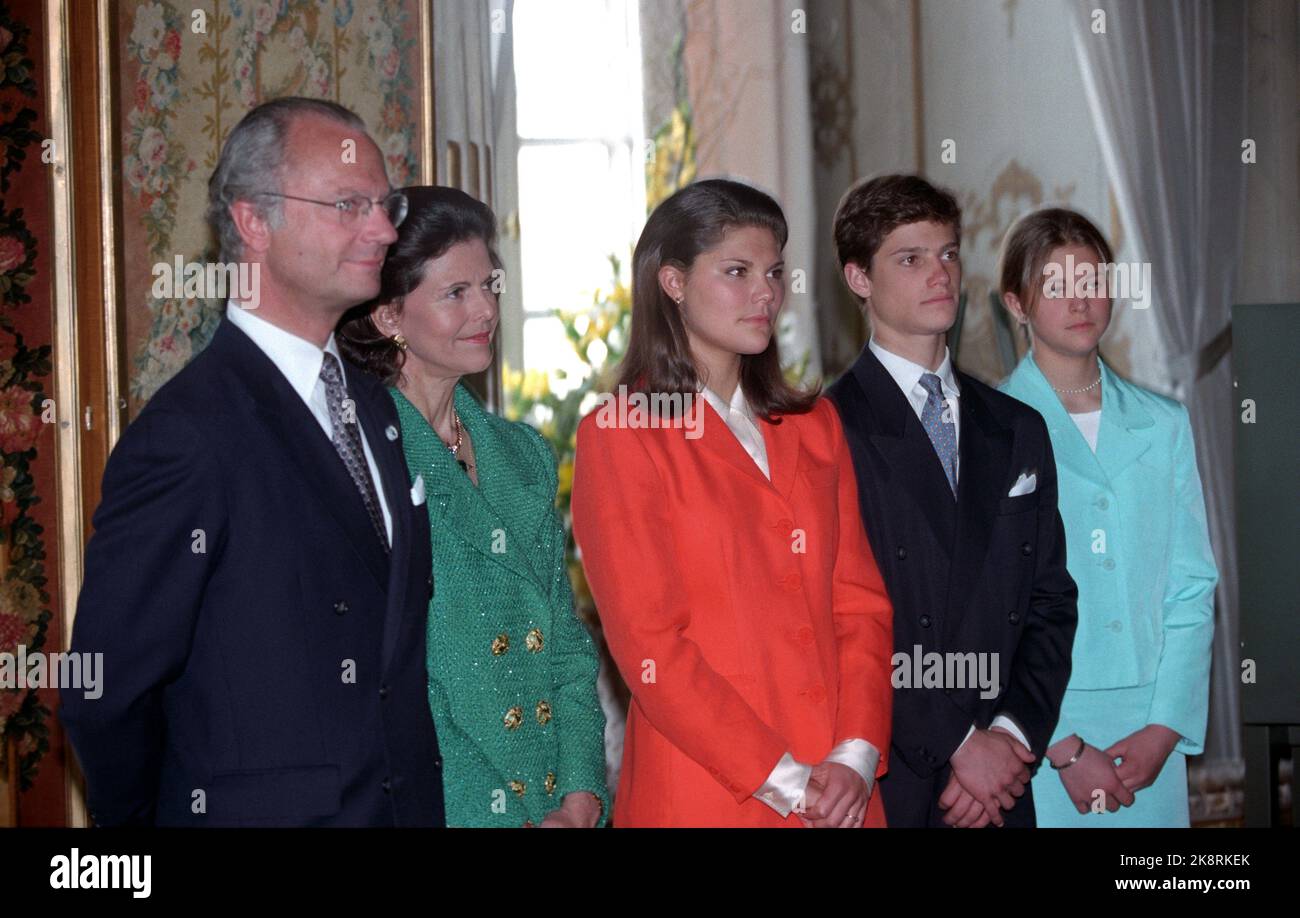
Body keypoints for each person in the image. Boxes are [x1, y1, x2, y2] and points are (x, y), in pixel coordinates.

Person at [60, 97, 444, 827]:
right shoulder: (189, 434)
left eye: (384, 203)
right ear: (253, 221)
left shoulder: (373, 407)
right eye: (349, 204)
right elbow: (105, 691)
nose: (386, 228)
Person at [570, 178, 894, 828]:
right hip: (708, 795)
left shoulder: (815, 426)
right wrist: (788, 782)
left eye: (774, 272)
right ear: (674, 283)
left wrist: (856, 756)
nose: (766, 293)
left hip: (844, 795)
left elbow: (859, 604)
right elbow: (652, 650)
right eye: (737, 271)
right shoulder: (623, 432)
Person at [337, 186, 609, 827]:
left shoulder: (522, 455)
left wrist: (580, 798)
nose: (487, 307)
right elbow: (392, 685)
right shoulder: (359, 461)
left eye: (489, 284)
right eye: (456, 293)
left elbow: (568, 648)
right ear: (389, 318)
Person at [826, 174, 1078, 828]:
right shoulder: (825, 431)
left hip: (1002, 789)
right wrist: (961, 744)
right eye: (910, 259)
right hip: (900, 782)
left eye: (948, 253)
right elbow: (839, 620)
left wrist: (1013, 739)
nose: (939, 274)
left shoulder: (1017, 426)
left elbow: (1050, 599)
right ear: (859, 278)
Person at [996, 207, 1217, 826]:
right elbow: (992, 609)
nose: (1080, 300)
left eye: (1092, 281)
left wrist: (1168, 725)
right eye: (1057, 285)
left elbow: (1191, 586)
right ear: (1016, 302)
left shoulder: (1165, 422)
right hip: (1038, 725)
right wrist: (1062, 748)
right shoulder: (992, 428)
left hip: (1152, 723)